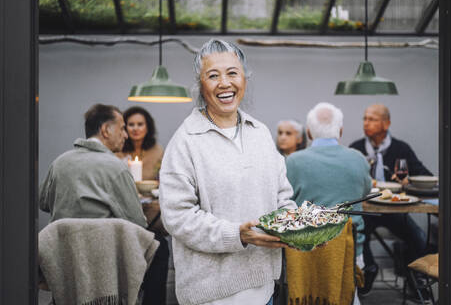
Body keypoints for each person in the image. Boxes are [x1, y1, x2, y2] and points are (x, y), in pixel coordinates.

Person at [159, 39, 297, 305]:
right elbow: (177, 217)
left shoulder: (261, 133)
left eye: (232, 73)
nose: (224, 83)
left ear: (244, 78)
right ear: (200, 85)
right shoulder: (186, 140)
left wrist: (299, 230)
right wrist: (237, 235)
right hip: (211, 295)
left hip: (265, 288)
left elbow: (282, 197)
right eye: (213, 75)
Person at [39, 103, 168, 305]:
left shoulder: (59, 162)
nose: (126, 135)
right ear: (106, 130)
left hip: (65, 256)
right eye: (123, 128)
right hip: (105, 256)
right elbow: (136, 222)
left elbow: (44, 203)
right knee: (160, 247)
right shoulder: (116, 167)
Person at [285, 102, 371, 305]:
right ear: (340, 131)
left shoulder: (292, 162)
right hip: (349, 254)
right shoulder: (358, 159)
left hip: (303, 256)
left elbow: (282, 202)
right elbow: (365, 192)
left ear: (309, 132)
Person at [349, 103, 432, 296]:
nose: (366, 123)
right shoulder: (356, 150)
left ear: (386, 124)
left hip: (395, 210)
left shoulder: (401, 149)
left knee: (418, 237)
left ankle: (415, 281)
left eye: (372, 119)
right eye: (365, 118)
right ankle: (368, 272)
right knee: (357, 235)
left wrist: (407, 181)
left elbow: (425, 175)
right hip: (367, 210)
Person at [117, 106, 164, 181]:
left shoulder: (157, 152)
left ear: (148, 127)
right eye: (131, 125)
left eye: (140, 124)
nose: (135, 129)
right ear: (124, 128)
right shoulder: (117, 150)